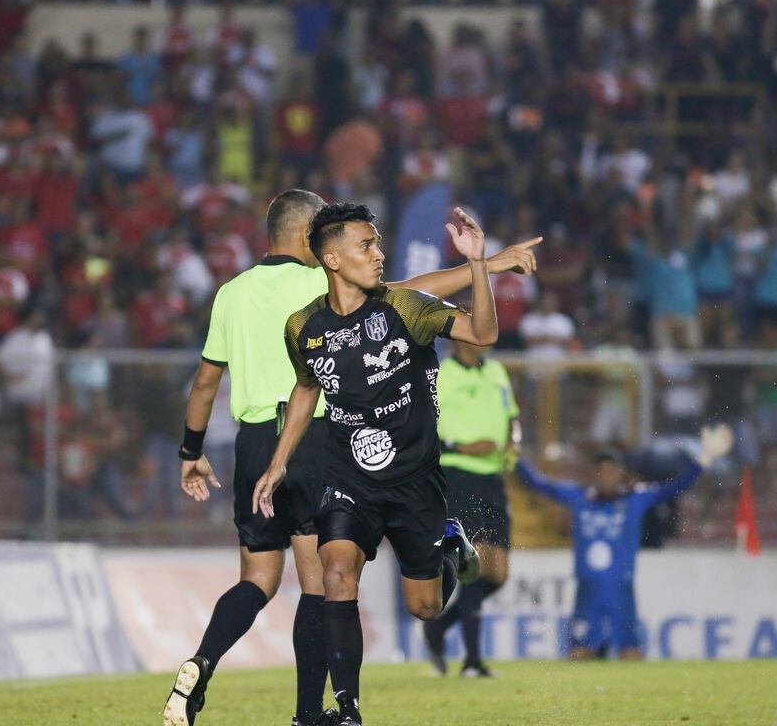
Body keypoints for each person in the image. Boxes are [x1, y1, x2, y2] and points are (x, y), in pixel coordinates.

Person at [163, 192, 539, 726]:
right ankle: (330, 713)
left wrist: (191, 451)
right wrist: (280, 462)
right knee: (328, 575)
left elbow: (206, 380)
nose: (378, 253)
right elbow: (314, 381)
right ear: (319, 248)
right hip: (329, 454)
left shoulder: (236, 292)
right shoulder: (310, 305)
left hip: (319, 456)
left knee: (283, 582)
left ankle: (207, 662)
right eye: (366, 244)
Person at [515, 425, 732, 659]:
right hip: (588, 592)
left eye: (611, 469)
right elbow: (537, 483)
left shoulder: (635, 499)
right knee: (579, 653)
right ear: (593, 474)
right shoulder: (578, 497)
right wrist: (514, 456)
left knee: (630, 653)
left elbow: (674, 488)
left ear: (621, 473)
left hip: (621, 590)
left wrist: (704, 460)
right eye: (601, 470)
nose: (606, 474)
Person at [422, 341, 520, 678]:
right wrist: (462, 445)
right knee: (475, 565)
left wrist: (513, 441)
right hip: (456, 474)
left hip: (492, 477)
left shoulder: (496, 371)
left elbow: (513, 417)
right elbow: (420, 428)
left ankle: (439, 628)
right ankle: (473, 661)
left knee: (499, 573)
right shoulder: (440, 374)